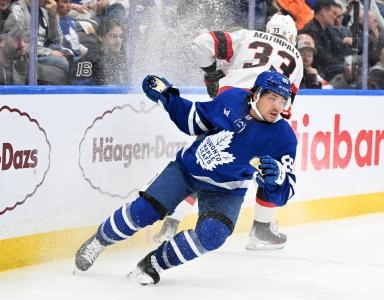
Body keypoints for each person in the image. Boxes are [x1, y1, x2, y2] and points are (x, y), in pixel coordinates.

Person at [75, 70, 298, 285]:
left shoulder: (284, 138)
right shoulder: (231, 98)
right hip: (187, 169)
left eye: (282, 101)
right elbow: (195, 120)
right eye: (272, 98)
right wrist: (168, 97)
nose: (278, 106)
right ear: (256, 94)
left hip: (227, 189)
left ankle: (153, 263)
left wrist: (277, 178)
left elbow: (285, 192)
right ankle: (99, 240)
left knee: (214, 234)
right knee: (144, 211)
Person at [153, 13, 303, 250]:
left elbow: (201, 44)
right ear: (292, 37)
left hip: (227, 104)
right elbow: (284, 108)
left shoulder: (248, 36)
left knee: (204, 162)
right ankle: (261, 229)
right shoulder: (296, 57)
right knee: (267, 168)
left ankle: (171, 223)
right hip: (261, 115)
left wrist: (212, 74)